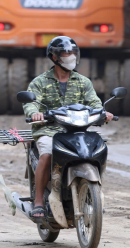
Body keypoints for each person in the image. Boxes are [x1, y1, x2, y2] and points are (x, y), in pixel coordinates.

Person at [22, 36, 114, 220]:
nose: (70, 56)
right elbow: (31, 103)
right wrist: (35, 113)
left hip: (77, 130)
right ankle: (39, 200)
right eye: (66, 53)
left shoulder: (83, 81)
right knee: (47, 153)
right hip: (48, 130)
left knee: (97, 150)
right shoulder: (40, 82)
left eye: (73, 52)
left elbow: (95, 102)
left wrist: (104, 112)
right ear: (55, 57)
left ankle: (92, 193)